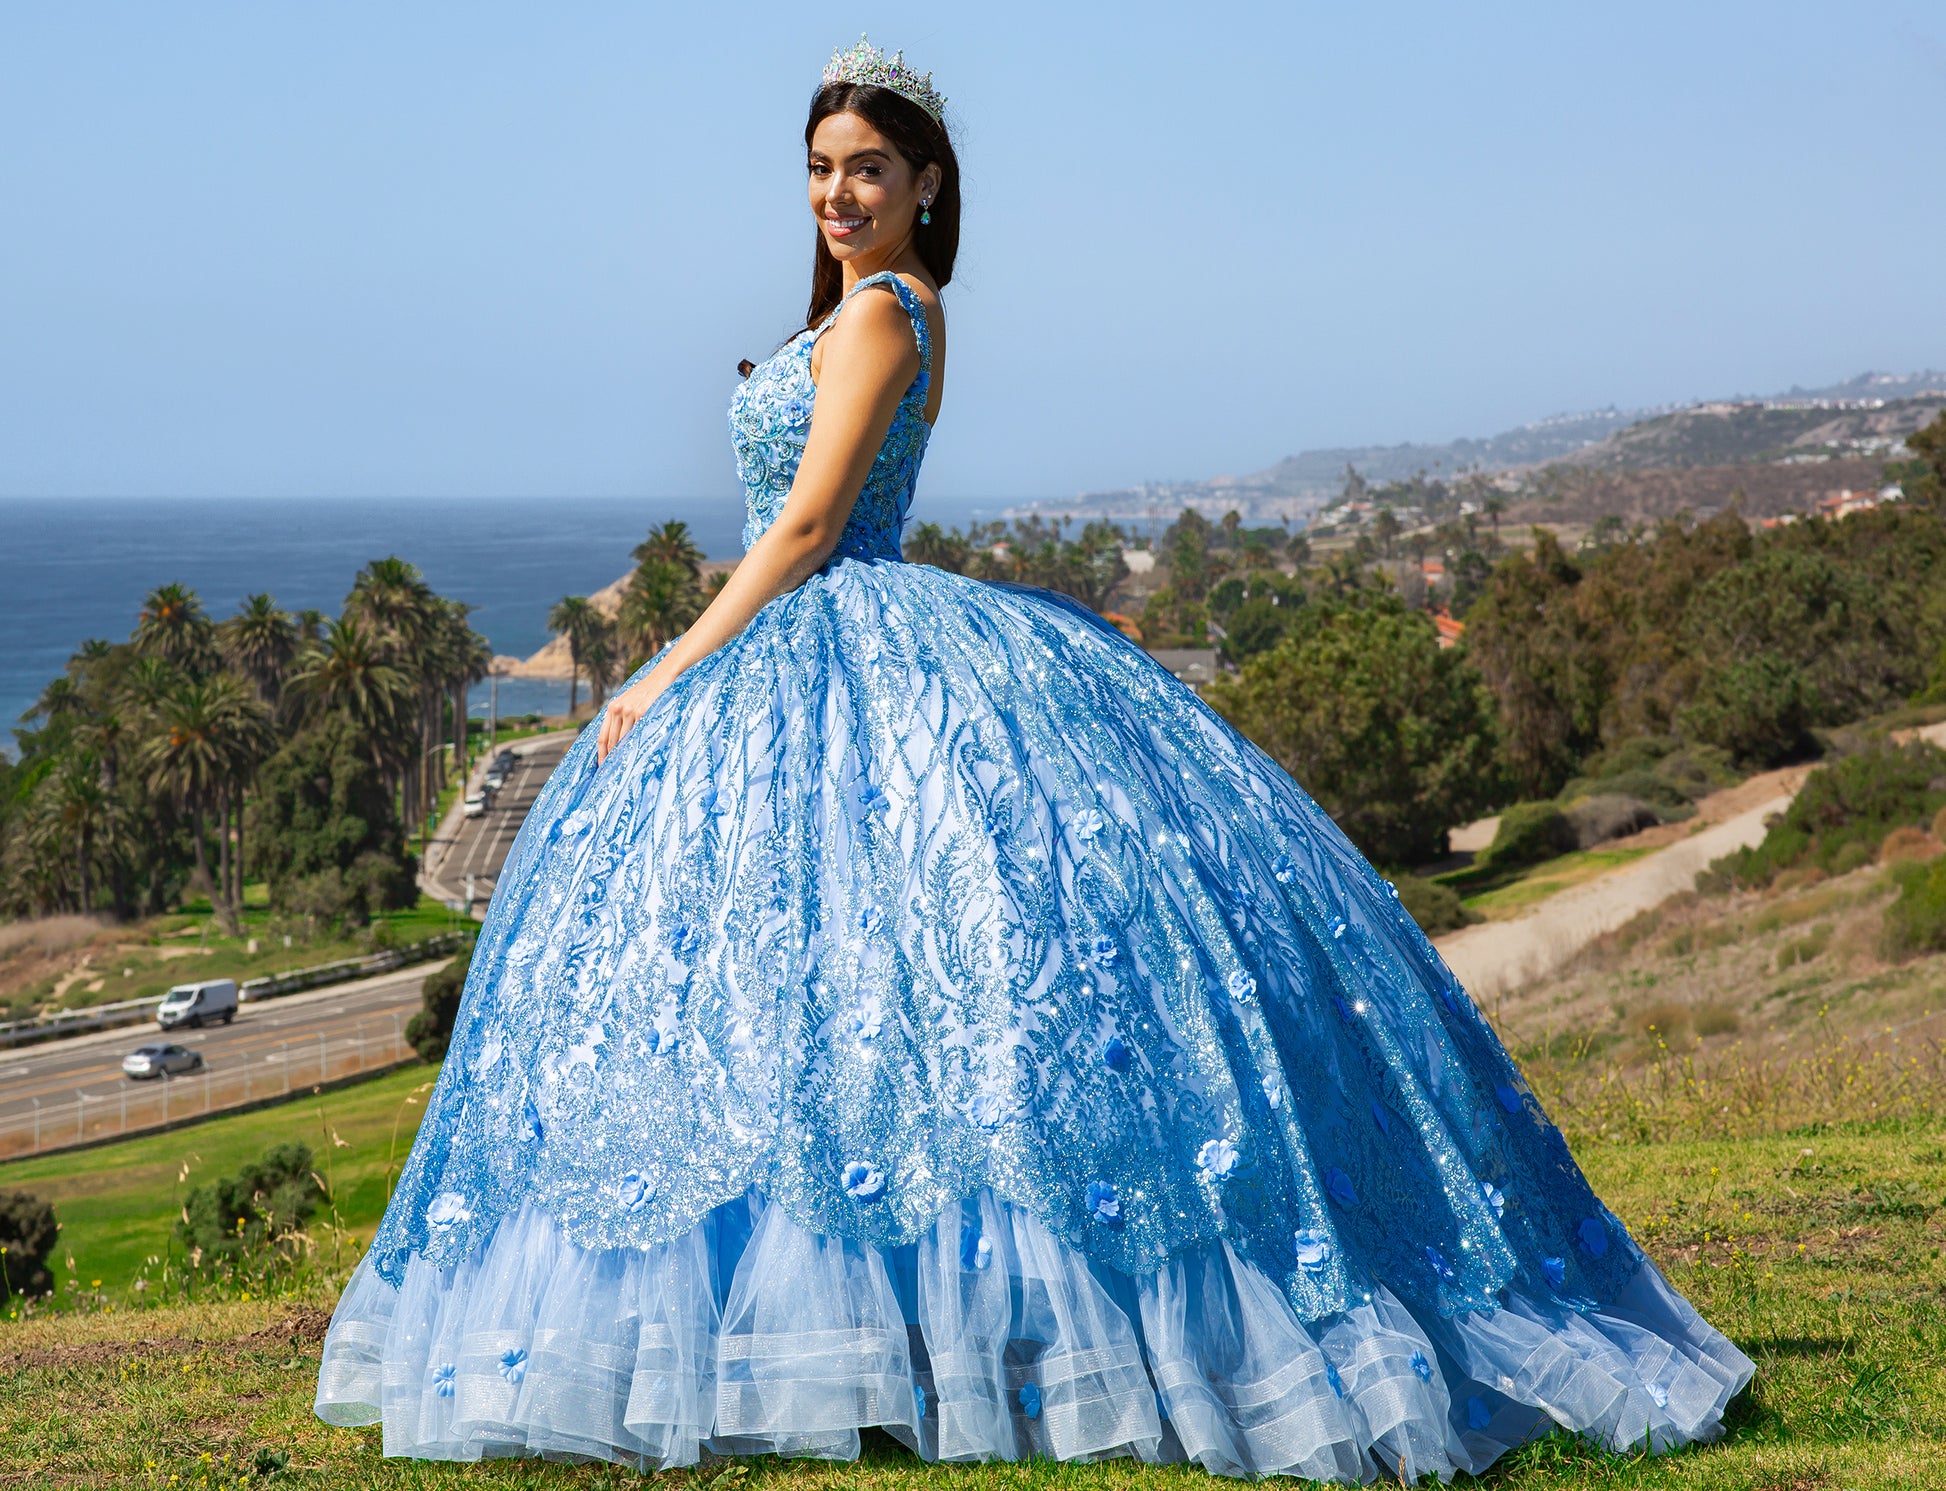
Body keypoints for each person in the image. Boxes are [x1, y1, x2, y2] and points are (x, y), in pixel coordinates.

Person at [315, 38, 1751, 1480]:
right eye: (817, 171)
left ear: (925, 182)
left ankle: (911, 1338)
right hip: (817, 654)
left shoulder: (885, 313)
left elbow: (806, 532)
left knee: (864, 996)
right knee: (834, 1001)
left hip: (833, 629)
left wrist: (666, 669)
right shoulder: (863, 308)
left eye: (866, 167)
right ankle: (857, 1334)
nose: (836, 192)